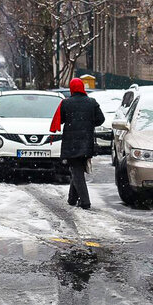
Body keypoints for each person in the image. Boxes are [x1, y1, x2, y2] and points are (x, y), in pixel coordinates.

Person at [50, 78, 105, 209]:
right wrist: (88, 123)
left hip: (71, 142)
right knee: (77, 169)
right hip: (87, 141)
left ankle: (85, 201)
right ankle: (72, 199)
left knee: (76, 170)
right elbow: (100, 119)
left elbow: (61, 120)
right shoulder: (91, 102)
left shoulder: (66, 103)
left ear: (72, 89)